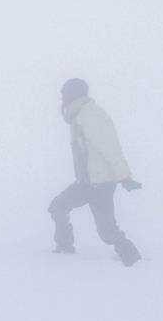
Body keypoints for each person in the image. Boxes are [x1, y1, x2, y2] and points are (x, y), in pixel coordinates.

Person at [50, 77, 143, 267]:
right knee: (58, 206)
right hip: (87, 182)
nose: (62, 99)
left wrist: (124, 176)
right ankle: (64, 248)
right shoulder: (79, 115)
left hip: (101, 183)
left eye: (64, 95)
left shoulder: (91, 116)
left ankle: (133, 260)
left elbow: (111, 148)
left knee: (107, 231)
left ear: (72, 95)